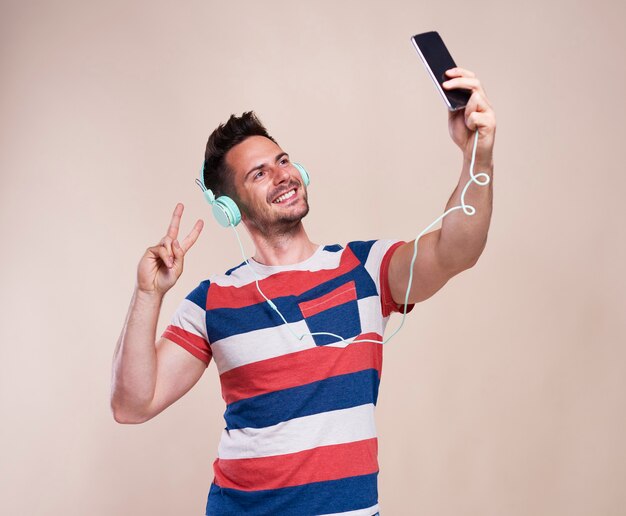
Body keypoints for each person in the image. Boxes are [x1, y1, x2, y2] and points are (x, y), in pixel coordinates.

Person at [111, 67, 496, 516]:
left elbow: (457, 250)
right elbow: (132, 405)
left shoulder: (365, 268)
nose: (282, 174)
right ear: (228, 209)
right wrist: (147, 294)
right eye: (259, 173)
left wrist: (477, 156)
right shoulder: (212, 300)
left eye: (284, 160)